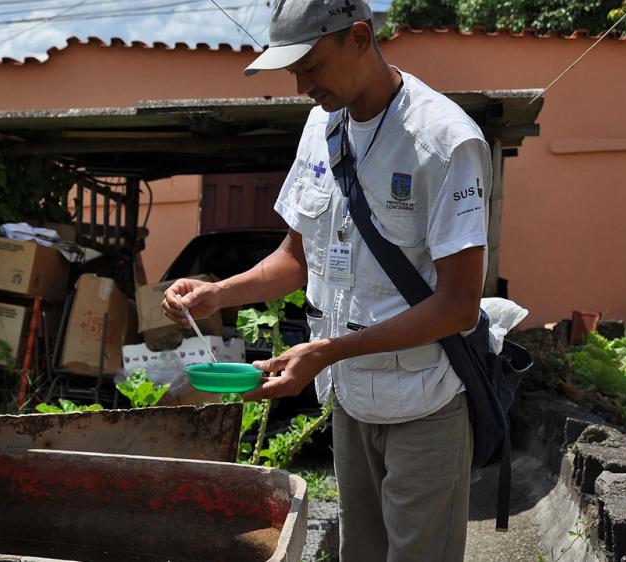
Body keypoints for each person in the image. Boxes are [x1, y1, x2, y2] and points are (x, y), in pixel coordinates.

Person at [161, 1, 493, 560]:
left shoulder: (444, 139)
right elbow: (296, 256)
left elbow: (459, 306)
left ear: (359, 38)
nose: (300, 85)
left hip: (424, 402)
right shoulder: (321, 127)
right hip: (348, 401)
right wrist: (216, 292)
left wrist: (328, 350)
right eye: (293, 71)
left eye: (310, 66)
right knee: (358, 552)